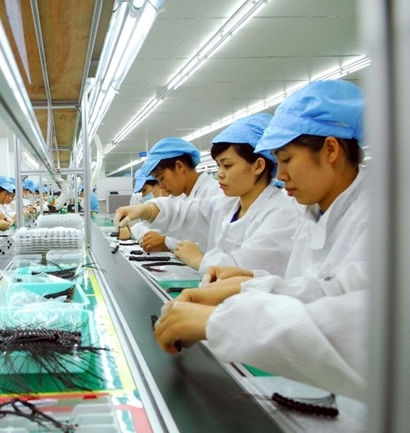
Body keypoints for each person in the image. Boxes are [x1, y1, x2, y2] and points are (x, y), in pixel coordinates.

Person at [154, 80, 368, 401]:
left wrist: (220, 322)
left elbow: (359, 329)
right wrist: (244, 288)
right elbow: (323, 289)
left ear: (330, 150)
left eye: (287, 159)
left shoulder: (384, 218)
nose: (280, 175)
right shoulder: (315, 211)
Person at [115, 114, 299, 276]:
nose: (220, 174)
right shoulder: (228, 204)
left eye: (227, 165)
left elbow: (248, 273)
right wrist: (145, 209)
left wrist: (201, 261)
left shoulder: (280, 213)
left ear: (258, 166)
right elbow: (185, 212)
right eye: (219, 166)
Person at [128, 137, 222, 252]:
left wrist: (168, 242)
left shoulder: (214, 192)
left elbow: (213, 244)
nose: (161, 186)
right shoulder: (180, 196)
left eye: (161, 178)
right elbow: (170, 218)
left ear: (179, 167)